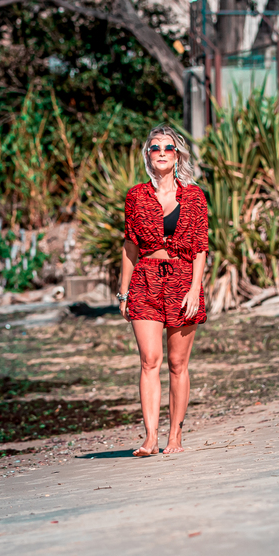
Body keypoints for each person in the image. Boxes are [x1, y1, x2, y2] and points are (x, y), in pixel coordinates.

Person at [116, 124, 208, 456]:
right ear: (148, 155)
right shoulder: (136, 196)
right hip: (145, 280)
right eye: (155, 147)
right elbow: (130, 245)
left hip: (183, 280)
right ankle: (151, 438)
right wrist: (123, 292)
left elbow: (200, 247)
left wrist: (195, 289)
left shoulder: (194, 196)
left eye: (168, 147)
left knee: (178, 364)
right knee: (149, 360)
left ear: (178, 155)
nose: (162, 153)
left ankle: (176, 436)